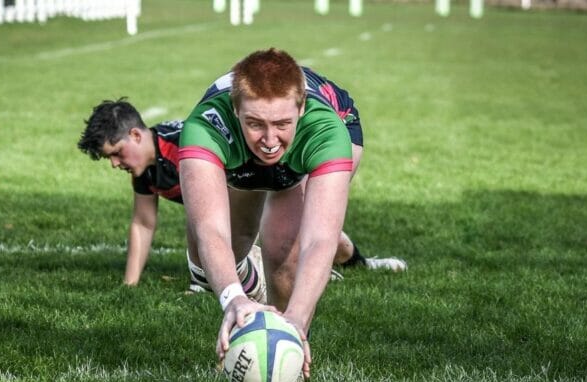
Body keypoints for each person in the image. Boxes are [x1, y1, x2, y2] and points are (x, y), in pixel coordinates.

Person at [178, 48, 404, 379]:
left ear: (300, 109)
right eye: (255, 123)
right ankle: (253, 296)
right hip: (242, 155)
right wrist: (234, 300)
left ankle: (287, 355)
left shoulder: (325, 130)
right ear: (235, 109)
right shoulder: (205, 126)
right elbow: (211, 230)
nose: (270, 140)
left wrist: (297, 317)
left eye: (282, 123)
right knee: (212, 256)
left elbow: (319, 239)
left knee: (284, 245)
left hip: (317, 139)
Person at [77, 97, 405, 298]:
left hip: (256, 181)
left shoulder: (184, 143)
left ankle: (363, 264)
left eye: (116, 153)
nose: (115, 163)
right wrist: (130, 285)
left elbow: (211, 214)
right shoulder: (144, 170)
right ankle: (245, 281)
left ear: (136, 134)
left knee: (307, 234)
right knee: (274, 237)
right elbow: (143, 223)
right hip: (240, 202)